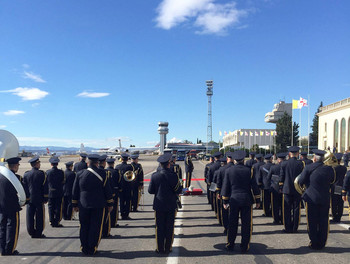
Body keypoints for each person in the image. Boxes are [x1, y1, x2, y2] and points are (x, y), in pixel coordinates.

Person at [72, 154, 113, 255]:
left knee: (84, 226)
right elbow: (107, 190)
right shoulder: (103, 174)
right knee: (96, 227)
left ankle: (84, 246)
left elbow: (75, 190)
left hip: (83, 204)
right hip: (98, 204)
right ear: (97, 163)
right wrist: (110, 203)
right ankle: (92, 247)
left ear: (87, 163)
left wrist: (74, 204)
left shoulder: (80, 174)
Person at [221, 150, 260, 253]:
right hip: (247, 199)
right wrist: (258, 200)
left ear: (234, 160)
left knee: (232, 223)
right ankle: (244, 246)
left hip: (234, 200)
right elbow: (254, 186)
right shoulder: (250, 170)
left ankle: (230, 244)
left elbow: (226, 187)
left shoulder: (229, 171)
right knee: (246, 224)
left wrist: (225, 201)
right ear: (243, 159)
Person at [298, 149, 336, 250]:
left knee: (312, 221)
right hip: (324, 199)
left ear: (314, 158)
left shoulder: (308, 167)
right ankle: (322, 243)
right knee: (324, 221)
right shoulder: (330, 169)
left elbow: (300, 181)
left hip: (311, 198)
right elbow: (333, 181)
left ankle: (314, 242)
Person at [148, 153, 182, 254]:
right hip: (171, 205)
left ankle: (160, 248)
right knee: (169, 227)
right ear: (168, 164)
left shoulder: (154, 176)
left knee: (159, 227)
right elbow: (178, 190)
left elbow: (150, 190)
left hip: (159, 205)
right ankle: (168, 248)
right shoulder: (173, 176)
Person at [0, 157, 26, 255]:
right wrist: (23, 201)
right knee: (12, 228)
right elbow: (23, 192)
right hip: (12, 206)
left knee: (2, 228)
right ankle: (10, 249)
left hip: (1, 206)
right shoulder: (17, 178)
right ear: (15, 166)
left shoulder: (1, 176)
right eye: (18, 165)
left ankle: (2, 249)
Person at [279, 146, 305, 233]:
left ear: (289, 154)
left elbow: (281, 178)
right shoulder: (301, 163)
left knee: (286, 209)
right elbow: (302, 178)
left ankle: (287, 228)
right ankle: (295, 227)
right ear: (297, 154)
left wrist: (280, 187)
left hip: (286, 189)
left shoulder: (284, 163)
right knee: (296, 209)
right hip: (297, 190)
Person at [23, 156, 49, 238]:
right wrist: (45, 198)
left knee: (30, 216)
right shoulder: (42, 174)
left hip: (30, 199)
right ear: (36, 164)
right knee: (39, 216)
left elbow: (25, 188)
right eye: (39, 163)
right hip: (39, 198)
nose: (40, 164)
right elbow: (45, 187)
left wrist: (26, 198)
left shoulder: (26, 174)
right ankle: (38, 233)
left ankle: (31, 231)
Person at [216, 152, 234, 234]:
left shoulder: (222, 169)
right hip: (234, 194)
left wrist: (218, 192)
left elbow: (218, 183)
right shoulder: (236, 168)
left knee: (225, 212)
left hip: (224, 194)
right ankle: (233, 227)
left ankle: (226, 227)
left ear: (227, 159)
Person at [267, 153, 286, 224]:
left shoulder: (273, 167)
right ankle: (283, 218)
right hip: (284, 188)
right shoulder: (286, 166)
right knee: (283, 205)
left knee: (275, 205)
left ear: (278, 160)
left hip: (275, 188)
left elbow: (268, 177)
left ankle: (276, 219)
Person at [46, 156, 65, 227]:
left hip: (50, 192)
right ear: (57, 164)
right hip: (59, 192)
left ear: (51, 164)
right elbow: (63, 182)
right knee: (58, 207)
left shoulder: (47, 172)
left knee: (51, 207)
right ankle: (57, 221)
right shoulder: (61, 172)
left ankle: (51, 221)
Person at [115, 153, 134, 220]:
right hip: (128, 186)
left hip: (120, 186)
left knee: (121, 201)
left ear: (121, 159)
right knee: (128, 201)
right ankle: (126, 214)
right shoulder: (130, 167)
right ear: (127, 159)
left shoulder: (117, 167)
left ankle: (122, 214)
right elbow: (131, 176)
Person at [330, 153, 347, 222]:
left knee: (334, 202)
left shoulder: (333, 168)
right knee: (340, 203)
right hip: (341, 186)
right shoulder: (344, 168)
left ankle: (335, 216)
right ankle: (339, 216)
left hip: (335, 186)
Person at [98, 155, 112, 238]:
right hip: (104, 199)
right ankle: (105, 232)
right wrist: (110, 200)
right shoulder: (106, 173)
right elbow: (108, 187)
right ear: (104, 163)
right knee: (106, 217)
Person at [106, 158, 120, 228]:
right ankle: (113, 223)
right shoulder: (115, 172)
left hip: (105, 192)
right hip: (114, 191)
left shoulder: (104, 171)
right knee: (114, 208)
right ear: (113, 164)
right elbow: (119, 181)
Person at [213, 157, 227, 225]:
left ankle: (221, 221)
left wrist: (213, 192)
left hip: (221, 192)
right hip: (231, 192)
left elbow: (216, 182)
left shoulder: (218, 171)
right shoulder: (230, 169)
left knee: (220, 208)